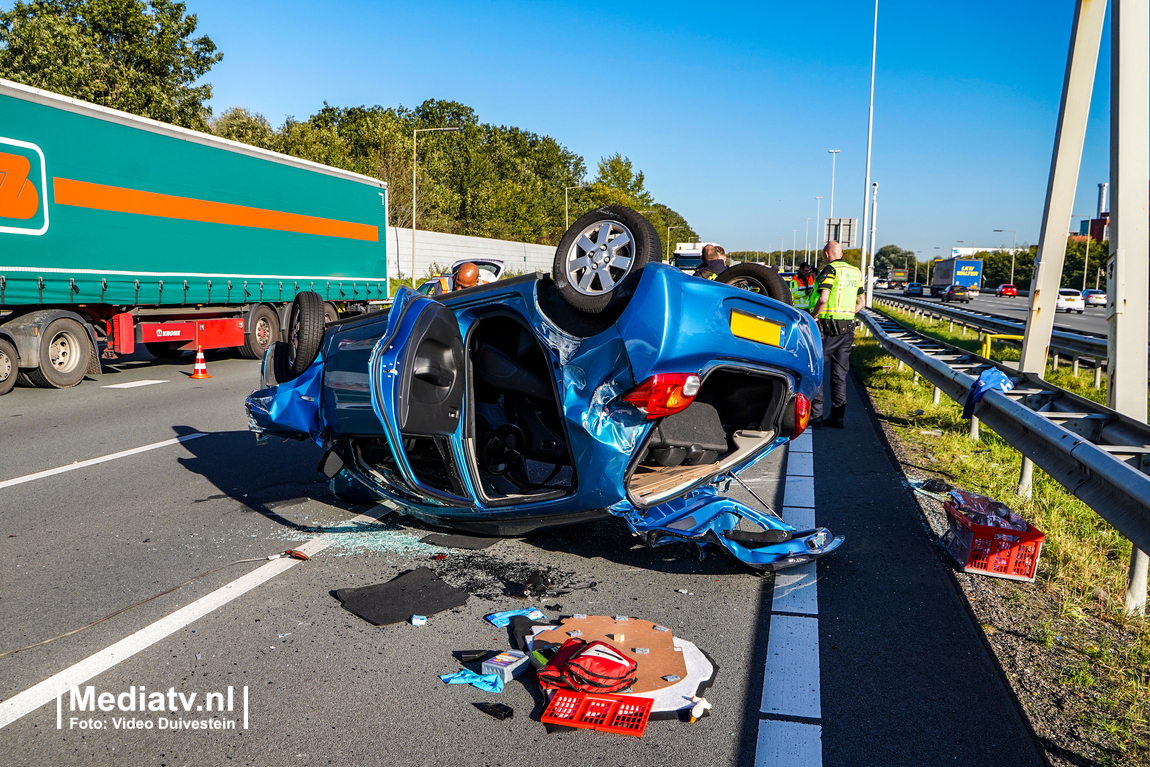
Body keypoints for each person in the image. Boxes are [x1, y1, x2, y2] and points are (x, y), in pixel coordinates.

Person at [809, 241, 864, 429]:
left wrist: (812, 316)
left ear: (826, 254)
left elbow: (823, 298)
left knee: (817, 369)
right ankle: (837, 417)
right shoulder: (855, 272)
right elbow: (862, 302)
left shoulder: (830, 270)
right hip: (847, 328)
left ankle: (816, 416)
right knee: (840, 374)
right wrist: (847, 314)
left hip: (827, 327)